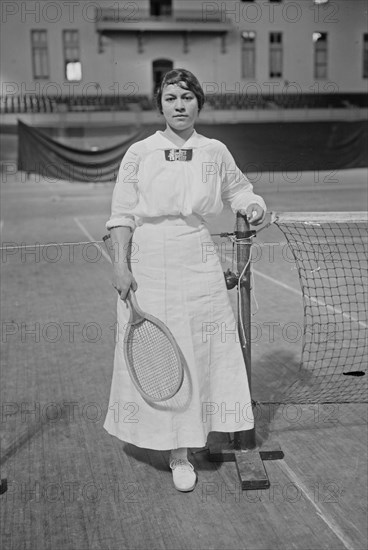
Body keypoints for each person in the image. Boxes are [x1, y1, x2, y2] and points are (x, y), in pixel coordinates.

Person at [103, 68, 266, 492]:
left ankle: (204, 434)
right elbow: (121, 215)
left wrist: (253, 205)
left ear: (199, 103)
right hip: (150, 260)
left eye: (187, 97)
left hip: (198, 256)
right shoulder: (140, 153)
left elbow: (239, 190)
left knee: (205, 346)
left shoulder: (215, 151)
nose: (179, 105)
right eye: (171, 97)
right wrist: (120, 265)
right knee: (163, 358)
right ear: (160, 104)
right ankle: (177, 453)